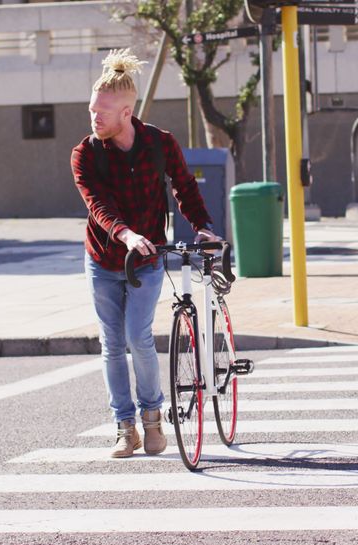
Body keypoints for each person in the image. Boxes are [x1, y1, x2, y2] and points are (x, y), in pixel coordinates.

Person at [71, 48, 221, 459]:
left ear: (126, 112)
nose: (94, 118)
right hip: (104, 260)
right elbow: (97, 205)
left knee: (138, 336)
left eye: (102, 112)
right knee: (112, 343)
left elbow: (184, 187)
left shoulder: (159, 143)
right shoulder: (85, 153)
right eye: (91, 111)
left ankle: (153, 420)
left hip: (149, 258)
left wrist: (202, 226)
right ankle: (125, 427)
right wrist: (126, 234)